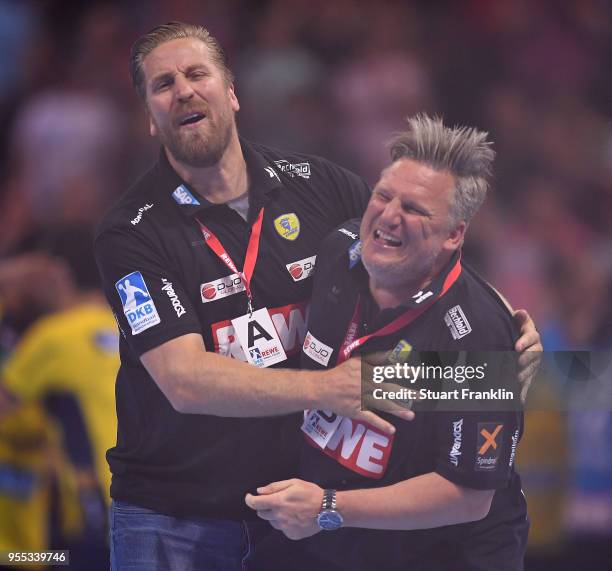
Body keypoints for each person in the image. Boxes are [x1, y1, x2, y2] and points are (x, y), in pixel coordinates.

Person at [94, 23, 541, 570]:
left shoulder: (317, 184)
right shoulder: (131, 232)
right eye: (162, 84)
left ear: (231, 92)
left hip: (295, 521)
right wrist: (328, 388)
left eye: (196, 73)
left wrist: (503, 326)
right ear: (148, 116)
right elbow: (183, 381)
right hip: (175, 516)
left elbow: (415, 247)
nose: (183, 90)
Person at [246, 115, 529, 570]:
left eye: (415, 209)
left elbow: (470, 495)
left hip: (441, 557)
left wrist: (329, 507)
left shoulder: (479, 334)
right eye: (382, 195)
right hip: (331, 544)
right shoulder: (338, 252)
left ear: (454, 235)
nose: (389, 216)